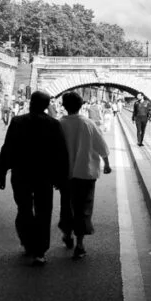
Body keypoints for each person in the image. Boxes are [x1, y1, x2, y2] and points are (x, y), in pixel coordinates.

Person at [0, 90, 69, 266]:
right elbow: (61, 153)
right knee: (44, 211)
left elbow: (8, 148)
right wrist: (61, 178)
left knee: (24, 209)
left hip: (21, 174)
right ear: (46, 106)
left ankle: (27, 242)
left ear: (30, 103)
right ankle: (40, 252)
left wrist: (1, 173)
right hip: (44, 176)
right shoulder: (53, 124)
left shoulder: (17, 122)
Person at [57, 92, 112, 259]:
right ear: (81, 106)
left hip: (65, 174)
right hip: (86, 173)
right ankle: (80, 244)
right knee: (83, 208)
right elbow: (101, 146)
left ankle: (67, 234)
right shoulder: (88, 124)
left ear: (64, 106)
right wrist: (107, 164)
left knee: (66, 205)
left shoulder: (59, 124)